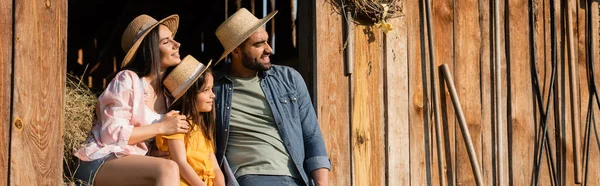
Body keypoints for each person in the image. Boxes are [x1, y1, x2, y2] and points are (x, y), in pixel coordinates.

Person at [213, 8, 331, 186]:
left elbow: (312, 135)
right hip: (251, 177)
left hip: (297, 178)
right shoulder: (213, 89)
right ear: (236, 51)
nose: (269, 49)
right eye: (259, 44)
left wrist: (322, 184)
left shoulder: (289, 79)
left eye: (267, 41)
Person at [72, 14, 190, 185]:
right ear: (149, 51)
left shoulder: (167, 95)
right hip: (100, 159)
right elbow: (110, 135)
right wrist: (162, 127)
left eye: (173, 39)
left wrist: (151, 154)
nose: (176, 44)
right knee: (168, 168)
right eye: (166, 42)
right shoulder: (127, 80)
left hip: (129, 162)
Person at [155, 55, 225, 186]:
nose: (213, 95)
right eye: (206, 90)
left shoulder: (202, 126)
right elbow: (180, 163)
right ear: (188, 97)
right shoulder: (176, 122)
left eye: (211, 88)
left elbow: (215, 167)